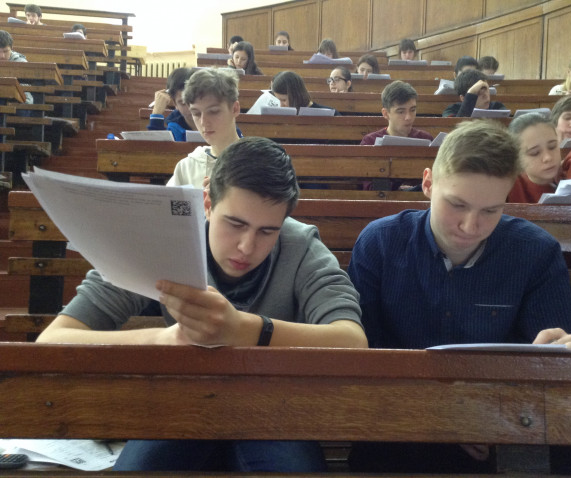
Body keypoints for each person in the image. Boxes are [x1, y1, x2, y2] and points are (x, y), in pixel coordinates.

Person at [36, 135, 367, 473]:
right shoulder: (162, 241)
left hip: (276, 407)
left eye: (267, 231)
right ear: (207, 201)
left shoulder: (302, 247)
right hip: (184, 402)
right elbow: (52, 341)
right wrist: (165, 341)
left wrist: (245, 330)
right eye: (235, 224)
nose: (246, 246)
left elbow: (352, 342)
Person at [347, 119, 571, 474]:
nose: (471, 226)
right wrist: (446, 413)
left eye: (491, 210)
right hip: (394, 421)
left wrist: (568, 364)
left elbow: (545, 366)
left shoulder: (538, 253)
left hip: (494, 429)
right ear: (428, 183)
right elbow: (363, 358)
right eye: (457, 204)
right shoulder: (379, 243)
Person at [507, 112, 571, 328]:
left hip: (570, 294)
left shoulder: (570, 175)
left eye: (553, 147)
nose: (547, 157)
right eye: (534, 153)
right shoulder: (510, 184)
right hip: (517, 294)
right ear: (517, 158)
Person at [166, 68, 241, 187]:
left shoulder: (259, 162)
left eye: (213, 112)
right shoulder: (187, 168)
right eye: (196, 113)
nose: (203, 122)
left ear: (235, 109)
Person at [360, 80, 432, 145]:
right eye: (401, 112)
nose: (409, 117)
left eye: (412, 110)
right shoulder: (370, 142)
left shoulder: (426, 139)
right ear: (385, 114)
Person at [147, 67, 196, 141]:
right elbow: (156, 147)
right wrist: (156, 114)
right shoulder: (173, 129)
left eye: (193, 101)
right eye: (183, 103)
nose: (190, 108)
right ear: (175, 104)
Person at [271, 70, 340, 115]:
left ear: (296, 95)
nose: (281, 106)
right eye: (278, 100)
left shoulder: (331, 114)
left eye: (283, 100)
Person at [0, 30, 33, 104]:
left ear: (12, 48)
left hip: (16, 101)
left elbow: (25, 92)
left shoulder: (20, 63)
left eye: (5, 51)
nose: (2, 56)